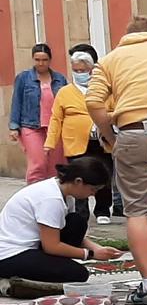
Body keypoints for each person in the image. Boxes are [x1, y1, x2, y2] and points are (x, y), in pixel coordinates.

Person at [85, 18, 147, 305]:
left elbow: (93, 101)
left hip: (134, 132)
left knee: (137, 210)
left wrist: (110, 135)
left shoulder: (111, 59)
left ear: (126, 36)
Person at [0, 156, 120, 284]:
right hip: (10, 255)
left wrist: (98, 249)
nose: (93, 194)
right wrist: (89, 254)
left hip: (34, 247)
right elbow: (51, 246)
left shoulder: (66, 194)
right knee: (78, 274)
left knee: (76, 222)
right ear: (78, 181)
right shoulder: (51, 199)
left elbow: (62, 231)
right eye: (93, 189)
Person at [55, 46, 112, 218]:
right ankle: (80, 212)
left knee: (104, 174)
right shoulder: (65, 92)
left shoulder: (104, 89)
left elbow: (114, 108)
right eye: (76, 70)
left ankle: (103, 209)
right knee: (79, 176)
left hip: (102, 140)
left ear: (92, 69)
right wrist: (50, 142)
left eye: (83, 70)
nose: (80, 73)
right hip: (76, 142)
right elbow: (56, 118)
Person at [10, 44, 65, 183]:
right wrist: (14, 126)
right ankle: (34, 197)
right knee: (38, 163)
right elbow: (17, 101)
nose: (41, 63)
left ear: (50, 60)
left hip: (55, 127)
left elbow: (66, 102)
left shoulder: (59, 79)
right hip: (31, 126)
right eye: (37, 59)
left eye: (44, 60)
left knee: (56, 166)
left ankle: (54, 197)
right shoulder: (23, 78)